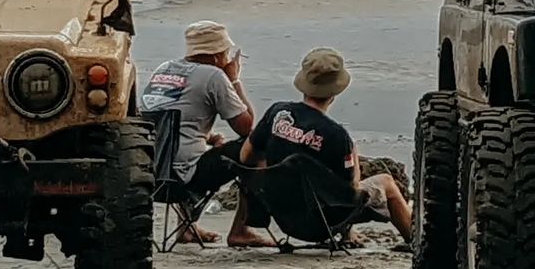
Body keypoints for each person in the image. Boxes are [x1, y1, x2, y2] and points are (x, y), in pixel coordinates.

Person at [239, 47, 412, 245]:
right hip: (319, 224)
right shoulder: (336, 135)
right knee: (387, 182)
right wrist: (353, 155)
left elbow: (246, 158)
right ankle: (413, 242)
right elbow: (350, 192)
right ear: (334, 92)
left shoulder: (277, 113)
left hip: (281, 215)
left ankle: (349, 233)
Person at [141, 20, 273, 247]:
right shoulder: (213, 75)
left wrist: (209, 137)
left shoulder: (165, 69)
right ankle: (241, 230)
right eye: (225, 53)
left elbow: (172, 121)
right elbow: (246, 127)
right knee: (255, 149)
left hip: (151, 170)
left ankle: (186, 229)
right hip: (182, 177)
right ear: (216, 56)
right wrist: (234, 79)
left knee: (195, 148)